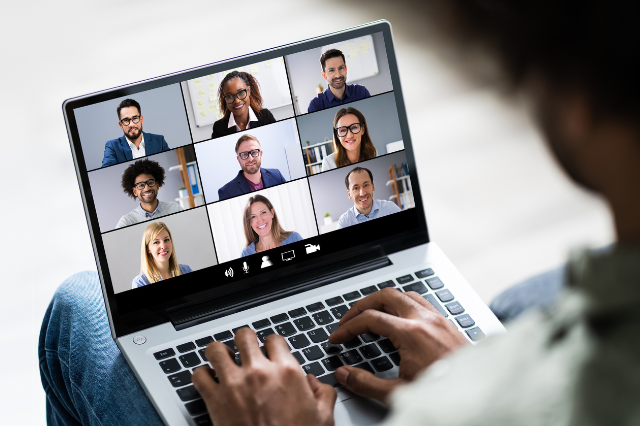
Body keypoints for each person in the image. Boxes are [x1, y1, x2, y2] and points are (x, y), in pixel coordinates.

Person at [39, 2, 640, 425]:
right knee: (503, 310)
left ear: (578, 105)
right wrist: (478, 370)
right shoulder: (223, 173)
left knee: (78, 307)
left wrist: (478, 394)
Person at [101, 99, 170, 167]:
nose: (131, 124)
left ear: (141, 120)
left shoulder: (159, 141)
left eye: (135, 118)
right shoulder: (112, 147)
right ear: (121, 125)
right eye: (126, 120)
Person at [116, 159, 183, 229]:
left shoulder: (174, 209)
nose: (147, 188)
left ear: (157, 185)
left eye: (150, 183)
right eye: (141, 185)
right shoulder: (127, 221)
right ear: (135, 191)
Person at [217, 134, 287, 201]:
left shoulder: (277, 175)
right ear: (238, 159)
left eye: (254, 152)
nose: (250, 159)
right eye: (244, 154)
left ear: (261, 154)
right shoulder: (226, 192)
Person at [210, 71, 276, 139]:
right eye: (229, 96)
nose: (237, 101)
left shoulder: (266, 117)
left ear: (249, 91)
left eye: (241, 93)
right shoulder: (219, 128)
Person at [307, 48, 371, 113]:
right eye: (331, 70)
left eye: (341, 68)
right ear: (324, 75)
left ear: (346, 70)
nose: (338, 75)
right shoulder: (316, 105)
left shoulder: (361, 92)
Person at [131, 222, 193, 288]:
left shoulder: (186, 270)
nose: (163, 246)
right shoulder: (140, 283)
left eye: (166, 240)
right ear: (148, 249)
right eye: (156, 242)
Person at [336, 166, 401, 229]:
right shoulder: (344, 222)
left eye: (366, 185)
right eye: (356, 188)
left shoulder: (390, 209)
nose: (362, 193)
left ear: (373, 186)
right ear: (349, 194)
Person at [321, 107, 377, 171]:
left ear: (362, 129)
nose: (349, 136)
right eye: (343, 130)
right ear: (337, 135)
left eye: (354, 127)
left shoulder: (373, 154)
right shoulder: (329, 163)